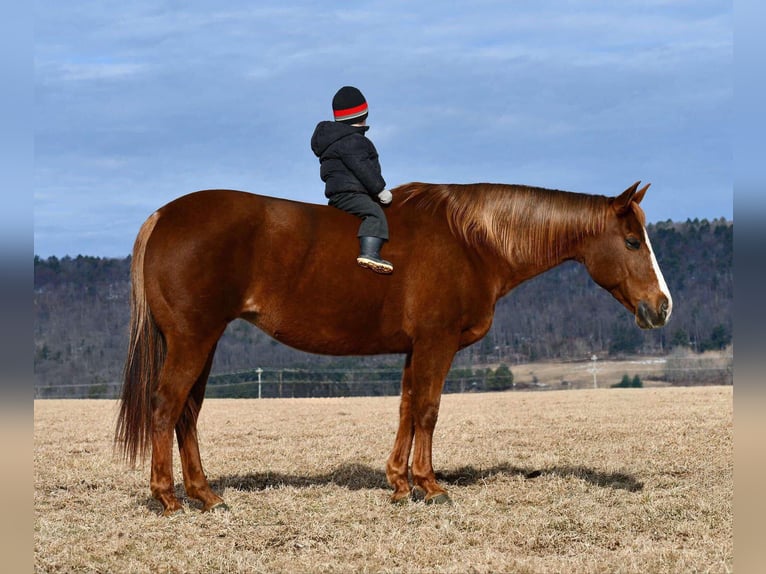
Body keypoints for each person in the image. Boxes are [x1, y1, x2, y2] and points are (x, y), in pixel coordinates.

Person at [311, 86, 393, 274]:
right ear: (362, 116)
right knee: (374, 214)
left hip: (337, 195)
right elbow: (363, 169)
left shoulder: (334, 141)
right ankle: (370, 253)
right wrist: (380, 190)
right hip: (352, 193)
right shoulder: (354, 142)